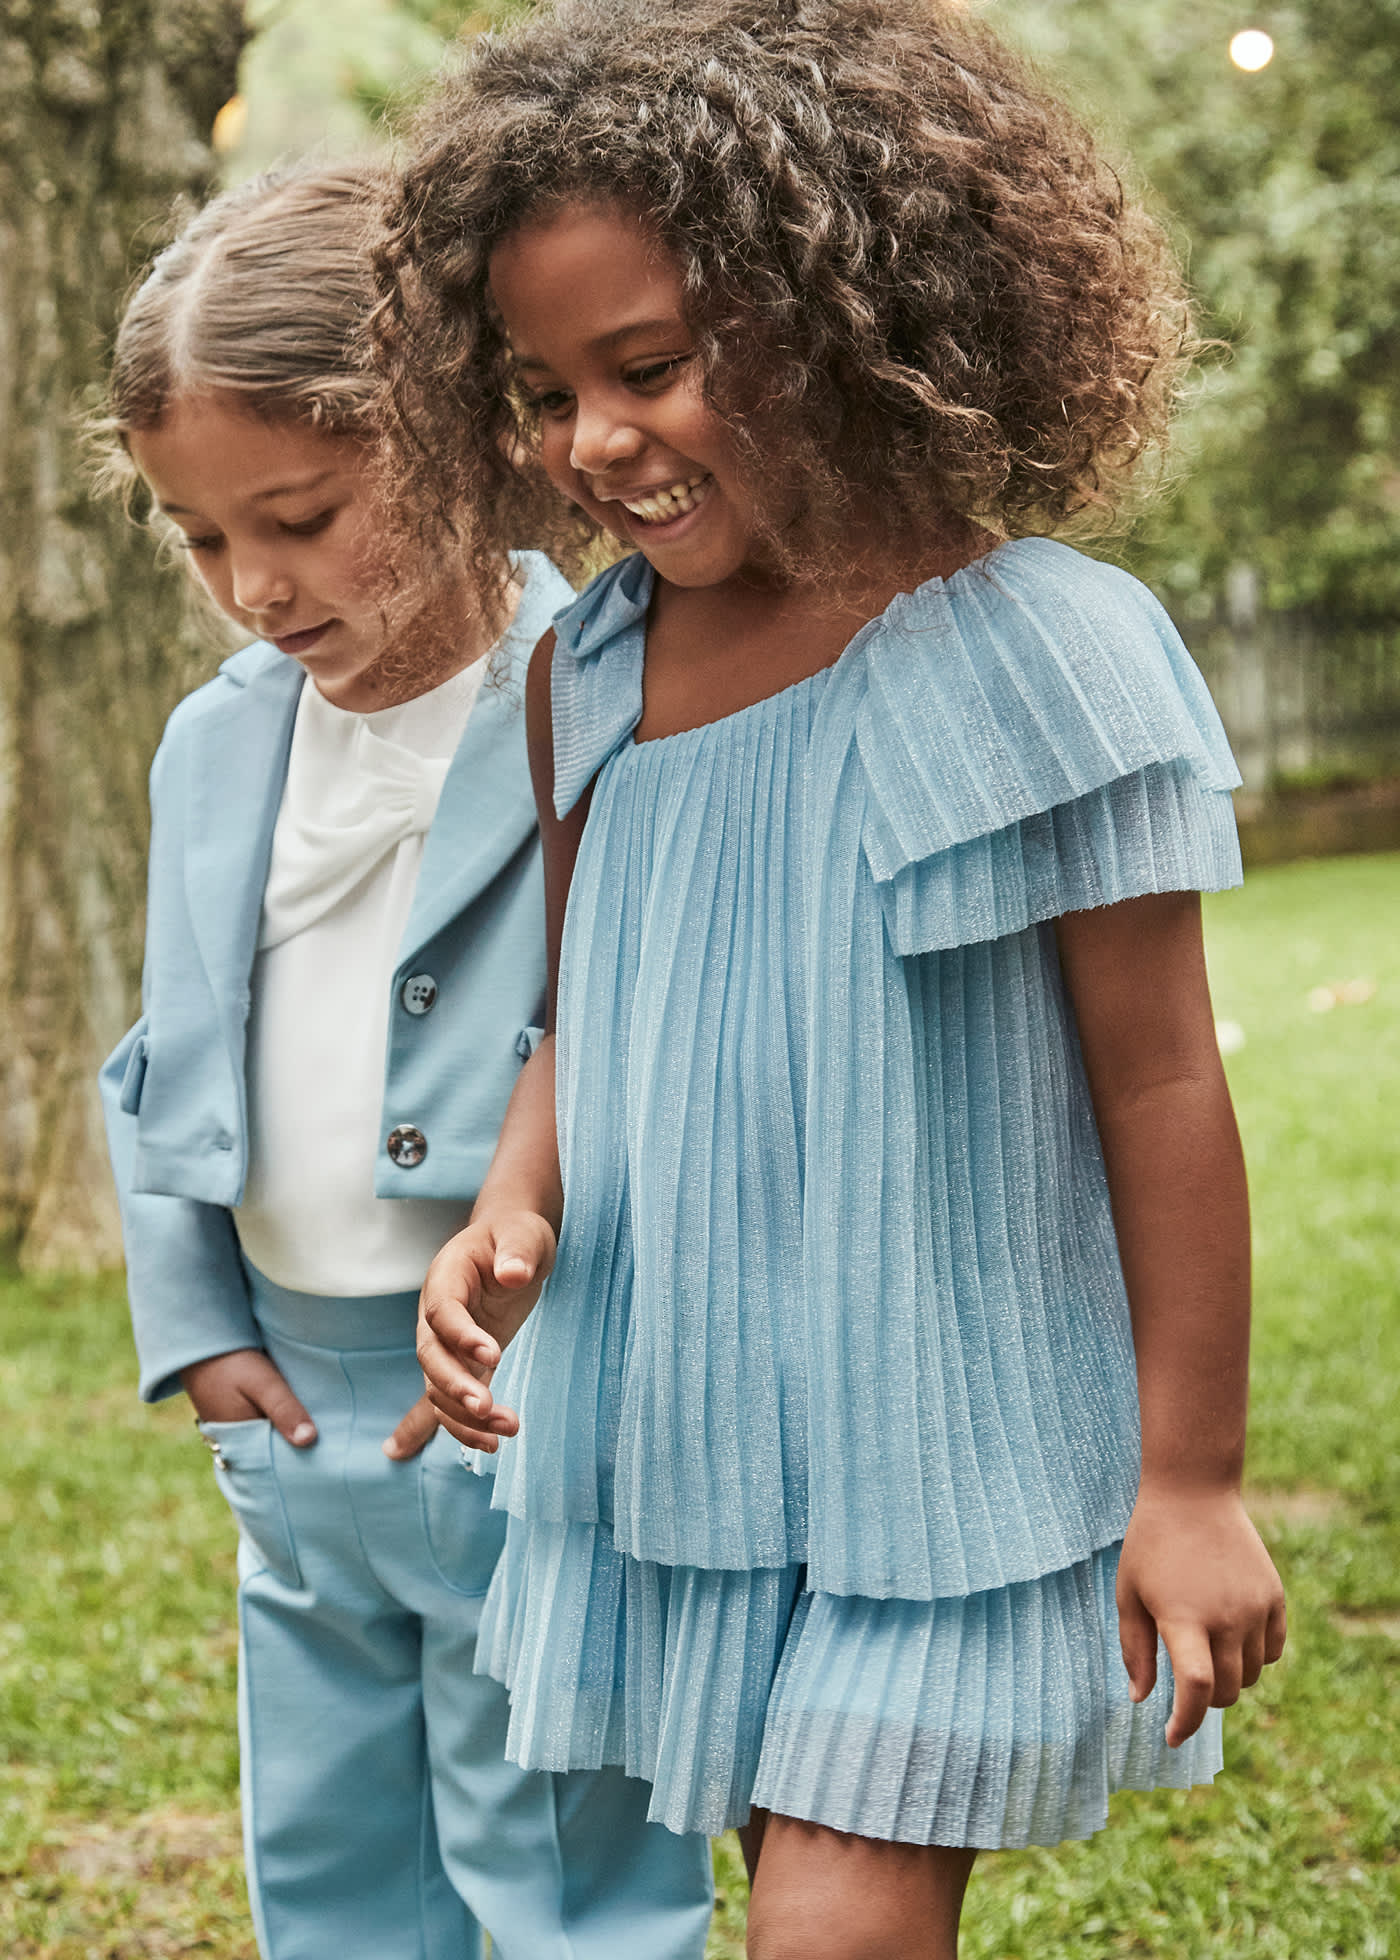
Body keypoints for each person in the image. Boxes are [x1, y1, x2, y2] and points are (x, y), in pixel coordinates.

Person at [375, 3, 1288, 1954]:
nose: (592, 441)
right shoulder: (584, 671)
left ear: (857, 306)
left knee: (833, 1909)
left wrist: (1190, 1468)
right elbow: (581, 999)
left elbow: (1158, 1083)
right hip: (685, 1426)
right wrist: (510, 1204)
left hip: (944, 1452)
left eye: (650, 366)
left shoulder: (1042, 654)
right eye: (542, 390)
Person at [95, 159, 714, 1960]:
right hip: (291, 1400)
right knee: (333, 1853)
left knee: (556, 1865)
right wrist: (195, 1325)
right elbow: (167, 1044)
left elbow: (636, 1036)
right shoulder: (215, 747)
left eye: (298, 516)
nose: (251, 587)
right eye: (204, 538)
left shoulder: (608, 695)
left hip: (527, 1400)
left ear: (450, 434)